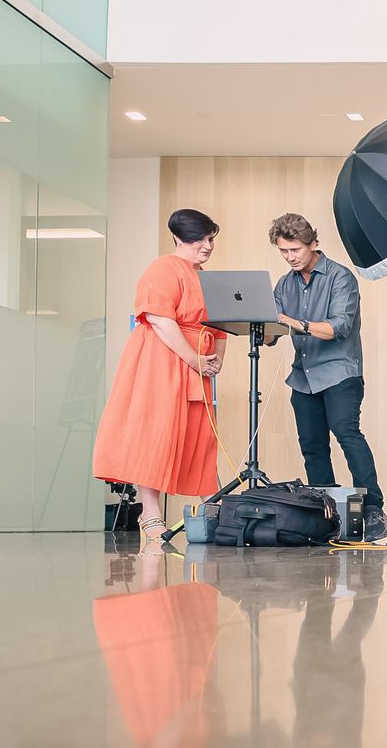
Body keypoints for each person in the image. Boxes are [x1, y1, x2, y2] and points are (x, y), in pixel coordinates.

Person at [93, 208, 225, 543]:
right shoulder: (163, 268)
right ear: (179, 238)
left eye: (210, 238)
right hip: (161, 358)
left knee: (200, 432)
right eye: (199, 239)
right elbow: (160, 320)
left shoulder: (207, 277)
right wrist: (194, 359)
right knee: (155, 430)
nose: (206, 246)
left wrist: (214, 359)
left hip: (197, 358)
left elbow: (222, 324)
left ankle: (213, 508)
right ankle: (149, 513)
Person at [262, 213, 387, 543]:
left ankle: (374, 509)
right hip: (303, 378)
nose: (290, 257)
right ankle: (329, 512)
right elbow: (273, 332)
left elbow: (338, 327)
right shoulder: (284, 285)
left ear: (313, 244)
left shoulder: (340, 277)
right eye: (283, 251)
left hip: (339, 373)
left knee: (347, 434)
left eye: (295, 250)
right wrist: (261, 325)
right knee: (313, 447)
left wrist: (292, 321)